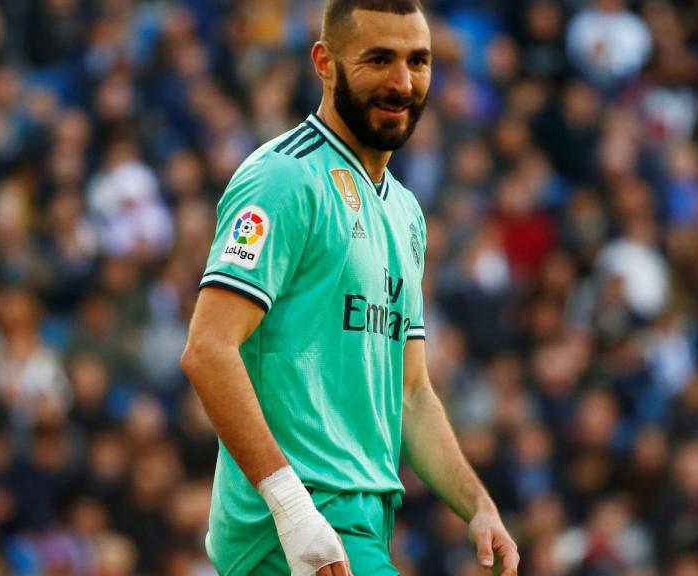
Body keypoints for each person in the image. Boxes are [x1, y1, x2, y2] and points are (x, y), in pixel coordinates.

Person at [180, 1, 520, 575]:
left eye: (419, 61)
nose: (402, 82)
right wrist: (291, 510)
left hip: (358, 523)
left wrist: (477, 505)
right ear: (325, 62)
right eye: (379, 59)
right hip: (298, 524)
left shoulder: (407, 212)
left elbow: (411, 394)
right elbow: (208, 350)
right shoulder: (283, 179)